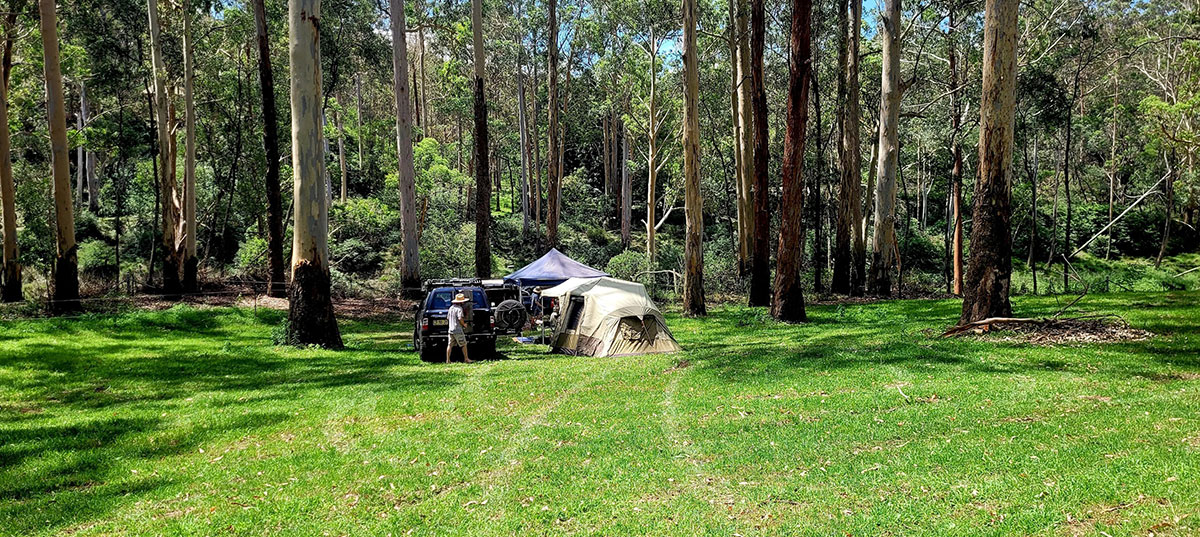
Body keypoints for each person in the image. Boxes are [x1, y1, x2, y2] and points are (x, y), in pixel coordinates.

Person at [446, 292, 474, 364]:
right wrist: (464, 324)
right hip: (457, 329)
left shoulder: (451, 308)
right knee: (463, 344)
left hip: (450, 329)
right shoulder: (459, 309)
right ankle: (466, 359)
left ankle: (448, 360)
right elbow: (460, 318)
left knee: (450, 345)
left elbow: (448, 318)